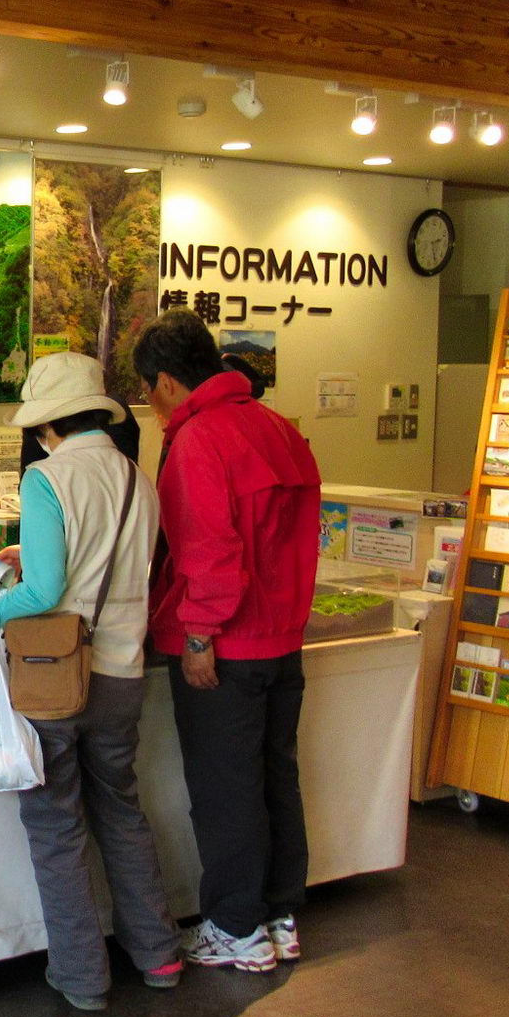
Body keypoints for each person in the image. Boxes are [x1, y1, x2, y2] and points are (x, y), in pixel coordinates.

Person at [0, 352, 180, 1012]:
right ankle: (159, 955)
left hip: (57, 681)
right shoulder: (140, 477)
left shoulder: (47, 480)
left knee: (55, 825)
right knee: (122, 811)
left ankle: (82, 976)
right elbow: (121, 564)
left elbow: (49, 589)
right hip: (123, 674)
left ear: (48, 426)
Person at [134, 310, 322, 974]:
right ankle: (277, 916)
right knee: (276, 777)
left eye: (148, 392)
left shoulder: (197, 441)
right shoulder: (277, 428)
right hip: (283, 641)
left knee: (226, 791)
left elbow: (208, 550)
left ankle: (236, 930)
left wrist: (197, 637)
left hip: (228, 646)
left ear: (163, 382)